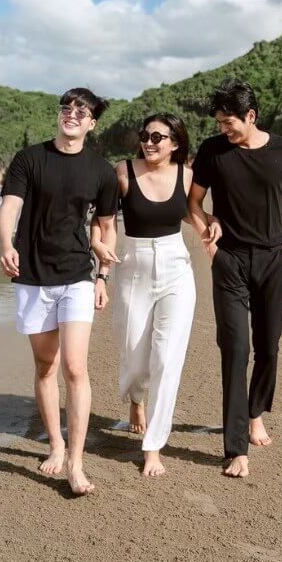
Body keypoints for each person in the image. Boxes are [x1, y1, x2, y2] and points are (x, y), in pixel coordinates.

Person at [187, 79, 282, 478]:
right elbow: (193, 202)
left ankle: (255, 411)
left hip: (274, 259)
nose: (223, 129)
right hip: (229, 261)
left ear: (251, 116)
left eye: (228, 122)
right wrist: (209, 241)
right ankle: (235, 448)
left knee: (269, 346)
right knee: (235, 349)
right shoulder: (212, 151)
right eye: (219, 122)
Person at [0, 87, 118, 496]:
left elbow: (106, 227)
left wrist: (103, 276)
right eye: (67, 108)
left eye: (81, 111)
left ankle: (76, 462)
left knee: (75, 367)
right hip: (32, 275)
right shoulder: (30, 159)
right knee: (45, 366)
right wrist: (6, 244)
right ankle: (56, 444)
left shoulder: (101, 171)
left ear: (92, 123)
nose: (72, 114)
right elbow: (10, 207)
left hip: (77, 275)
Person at [91, 113, 202, 477]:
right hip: (132, 267)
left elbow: (189, 212)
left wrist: (210, 224)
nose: (149, 142)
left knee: (167, 360)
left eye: (158, 137)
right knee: (136, 359)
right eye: (145, 135)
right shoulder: (122, 172)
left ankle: (153, 445)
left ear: (175, 143)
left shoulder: (187, 176)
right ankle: (136, 398)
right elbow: (103, 219)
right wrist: (98, 256)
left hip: (176, 268)